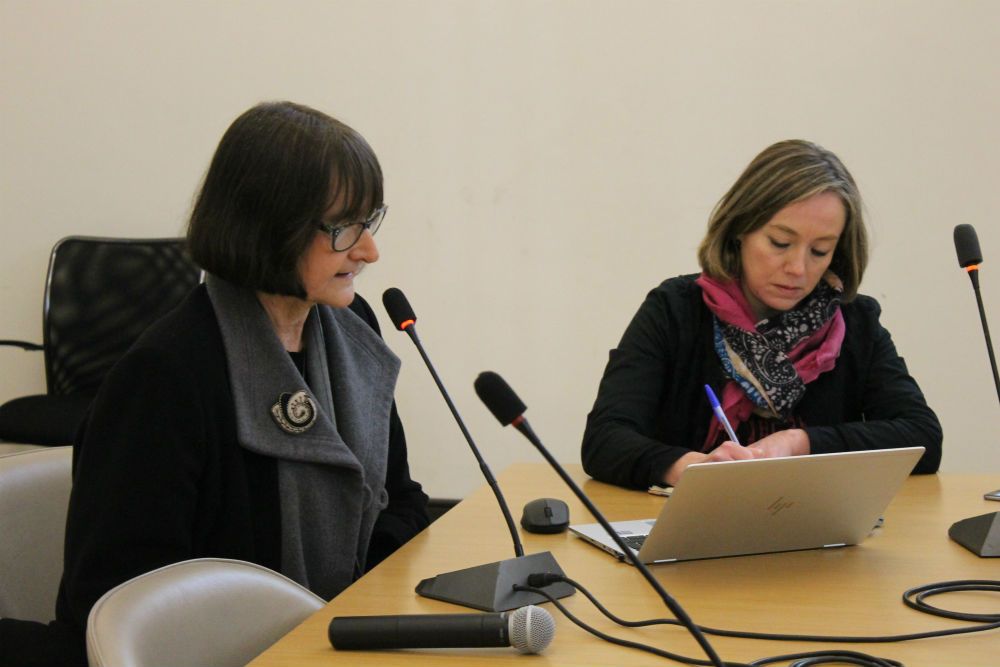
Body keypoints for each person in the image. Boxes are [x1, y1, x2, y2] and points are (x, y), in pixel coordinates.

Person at [0, 101, 429, 666]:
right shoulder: (166, 379)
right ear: (269, 226)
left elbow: (402, 500)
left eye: (368, 222)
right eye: (343, 228)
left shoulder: (353, 330)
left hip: (332, 644)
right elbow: (123, 611)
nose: (369, 251)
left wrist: (350, 612)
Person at [581, 139, 942, 490]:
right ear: (740, 229)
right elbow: (605, 440)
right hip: (696, 527)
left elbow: (923, 438)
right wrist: (692, 467)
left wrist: (801, 444)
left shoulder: (854, 322)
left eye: (820, 250)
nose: (797, 268)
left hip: (814, 532)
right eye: (780, 243)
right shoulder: (675, 310)